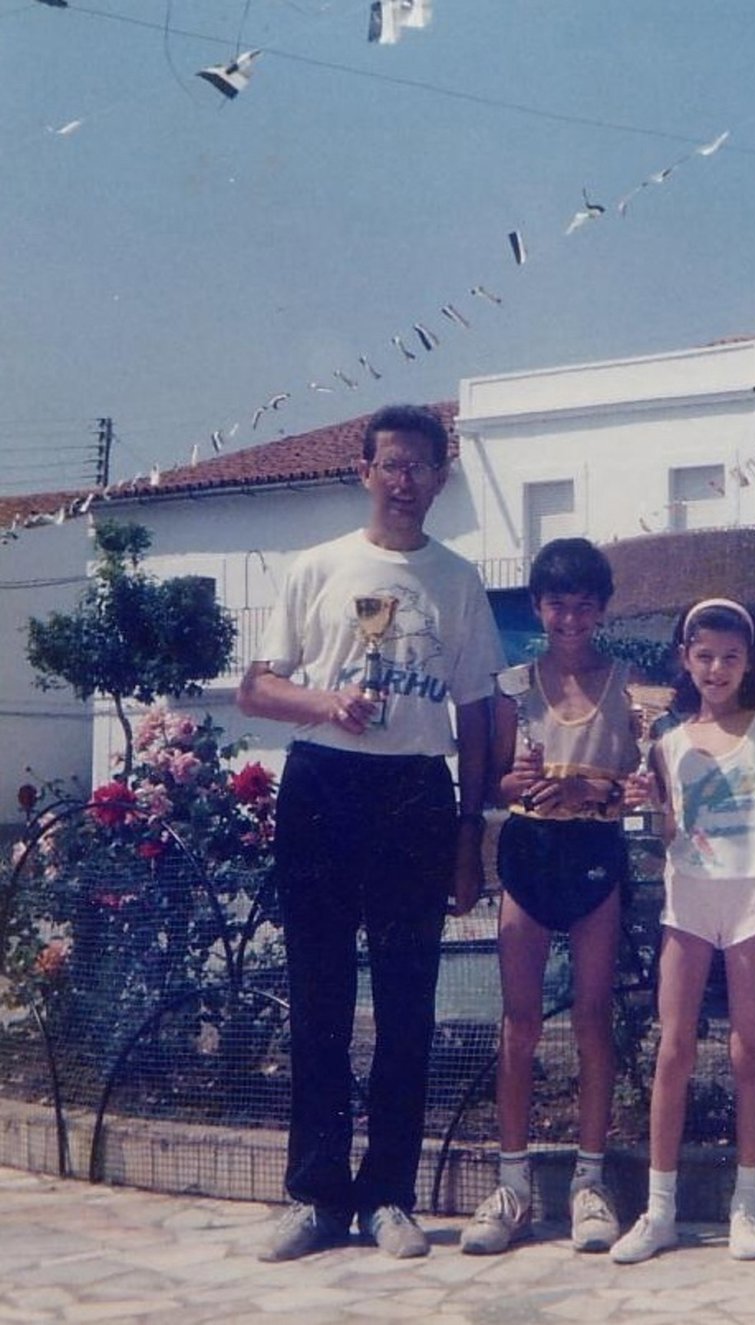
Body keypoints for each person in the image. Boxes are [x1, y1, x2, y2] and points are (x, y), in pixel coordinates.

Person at [239, 404, 505, 1263]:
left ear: (440, 477)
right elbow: (255, 688)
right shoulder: (317, 566)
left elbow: (477, 712)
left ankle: (389, 1193)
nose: (404, 480)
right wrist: (327, 702)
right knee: (317, 994)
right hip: (323, 784)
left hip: (416, 793)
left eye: (420, 466)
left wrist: (471, 832)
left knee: (406, 999)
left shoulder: (458, 579)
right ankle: (315, 1194)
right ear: (364, 471)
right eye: (390, 464)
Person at [610, 598, 755, 1264]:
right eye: (704, 655)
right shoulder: (666, 739)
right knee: (673, 1049)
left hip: (752, 903)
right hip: (688, 902)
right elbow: (670, 831)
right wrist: (648, 805)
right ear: (685, 659)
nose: (716, 668)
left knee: (747, 1050)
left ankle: (747, 1205)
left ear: (748, 661)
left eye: (730, 656)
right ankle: (661, 1210)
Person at [460, 538, 639, 1256]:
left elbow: (642, 786)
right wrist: (528, 783)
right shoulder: (514, 686)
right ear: (537, 607)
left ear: (602, 608)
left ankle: (589, 1183)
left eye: (584, 604)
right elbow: (494, 780)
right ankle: (512, 1185)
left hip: (595, 856)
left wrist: (588, 787)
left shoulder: (627, 685)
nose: (570, 617)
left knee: (593, 1018)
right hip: (528, 857)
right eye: (557, 604)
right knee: (520, 1022)